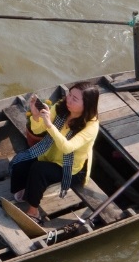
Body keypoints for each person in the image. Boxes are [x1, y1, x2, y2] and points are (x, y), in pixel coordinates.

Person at [8, 82, 100, 221]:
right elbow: (38, 130)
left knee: (39, 170)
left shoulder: (91, 126)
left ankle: (34, 211)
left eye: (75, 99)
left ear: (87, 104)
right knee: (20, 160)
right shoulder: (61, 108)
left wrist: (50, 126)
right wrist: (36, 116)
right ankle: (24, 192)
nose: (68, 100)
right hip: (48, 154)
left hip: (70, 167)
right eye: (69, 94)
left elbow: (67, 147)